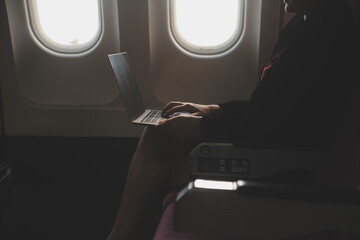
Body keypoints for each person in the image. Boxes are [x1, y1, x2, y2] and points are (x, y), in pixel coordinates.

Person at [107, 0, 359, 239]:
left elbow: (284, 127)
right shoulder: (301, 23)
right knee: (160, 135)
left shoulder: (330, 32)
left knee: (161, 145)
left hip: (284, 166)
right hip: (267, 145)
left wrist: (202, 126)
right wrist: (211, 109)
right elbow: (269, 109)